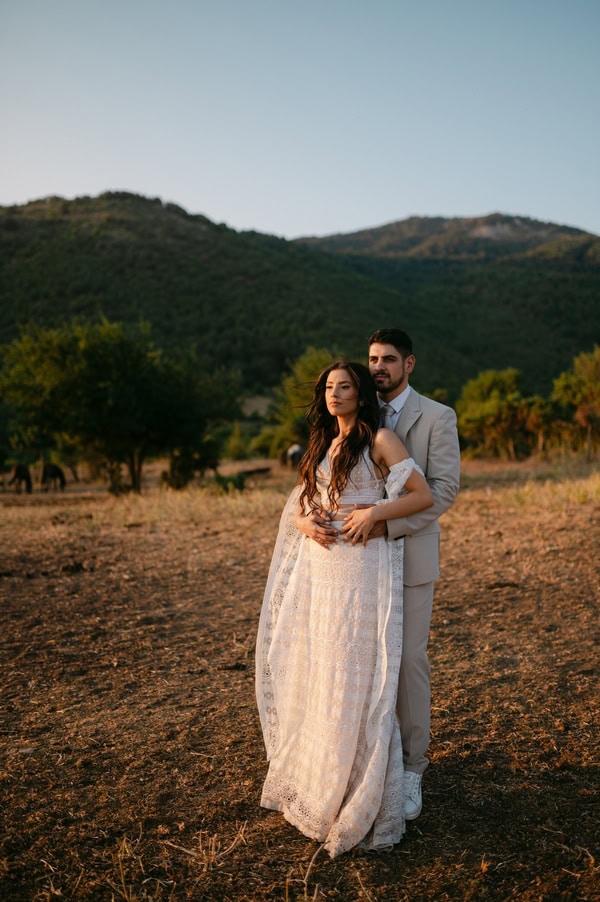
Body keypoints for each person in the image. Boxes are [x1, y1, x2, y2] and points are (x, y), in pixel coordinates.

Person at [255, 361, 434, 857]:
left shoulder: (379, 441)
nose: (336, 394)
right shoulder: (325, 443)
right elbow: (299, 504)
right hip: (321, 569)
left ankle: (362, 784)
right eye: (329, 388)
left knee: (357, 668)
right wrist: (306, 525)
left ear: (360, 394)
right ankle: (319, 777)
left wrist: (374, 511)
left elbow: (421, 494)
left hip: (359, 568)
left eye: (345, 387)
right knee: (322, 666)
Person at [298, 329, 461, 821]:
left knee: (407, 661)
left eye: (389, 359)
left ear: (409, 364)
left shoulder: (436, 417)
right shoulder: (347, 421)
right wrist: (312, 520)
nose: (379, 367)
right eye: (372, 359)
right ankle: (362, 760)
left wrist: (381, 523)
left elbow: (443, 491)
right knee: (355, 662)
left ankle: (411, 769)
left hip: (407, 557)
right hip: (350, 567)